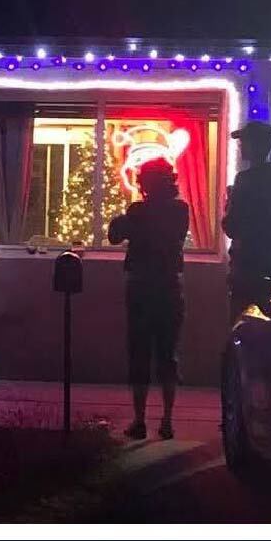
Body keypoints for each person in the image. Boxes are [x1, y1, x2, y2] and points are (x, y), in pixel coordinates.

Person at [107, 158, 190, 440]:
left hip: (142, 288)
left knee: (139, 352)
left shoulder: (138, 212)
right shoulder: (180, 210)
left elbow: (115, 235)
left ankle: (140, 420)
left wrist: (129, 220)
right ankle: (167, 421)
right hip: (169, 288)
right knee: (167, 354)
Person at [221, 121, 271, 318]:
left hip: (246, 269)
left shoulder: (246, 180)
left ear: (255, 145)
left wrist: (229, 204)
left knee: (239, 327)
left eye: (244, 142)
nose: (240, 147)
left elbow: (231, 227)